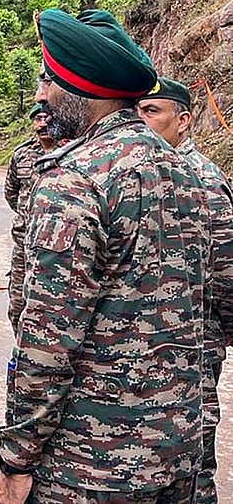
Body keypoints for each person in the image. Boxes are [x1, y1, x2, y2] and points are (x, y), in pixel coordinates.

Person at [0, 9, 210, 504]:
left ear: (78, 88)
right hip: (179, 448)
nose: (41, 96)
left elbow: (48, 342)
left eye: (48, 81)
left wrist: (17, 458)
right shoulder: (191, 173)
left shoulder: (75, 181)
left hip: (90, 463)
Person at [136, 77, 233, 504]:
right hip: (139, 343)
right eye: (137, 110)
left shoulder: (204, 181)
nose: (142, 120)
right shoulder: (136, 172)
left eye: (152, 111)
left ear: (184, 120)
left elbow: (227, 271)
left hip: (193, 343)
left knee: (191, 458)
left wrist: (221, 332)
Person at [3, 103, 60, 335]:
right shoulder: (22, 155)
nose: (43, 124)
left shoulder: (73, 151)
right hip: (24, 245)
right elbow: (12, 193)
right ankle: (21, 355)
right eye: (37, 119)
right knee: (18, 305)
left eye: (47, 118)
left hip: (58, 246)